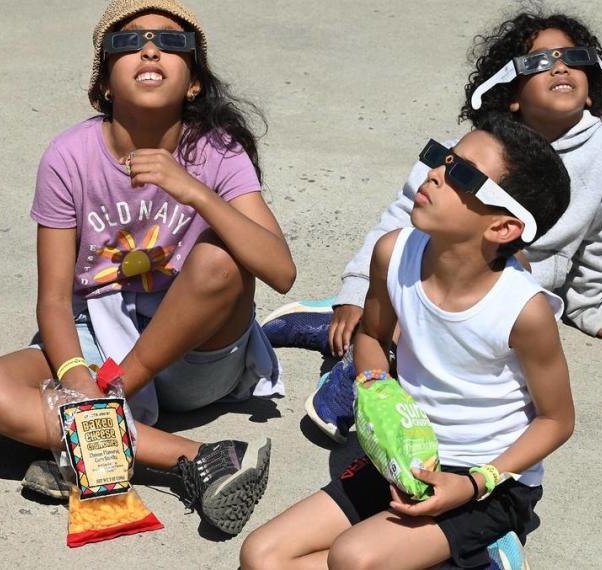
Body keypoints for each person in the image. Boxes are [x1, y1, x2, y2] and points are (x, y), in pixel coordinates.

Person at [0, 0, 294, 535]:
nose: (148, 51)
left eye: (170, 42)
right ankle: (197, 456)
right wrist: (74, 374)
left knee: (221, 260)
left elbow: (280, 270)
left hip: (193, 353)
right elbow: (51, 298)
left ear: (193, 83)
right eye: (128, 42)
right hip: (98, 333)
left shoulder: (216, 149)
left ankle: (90, 442)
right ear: (101, 83)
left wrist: (196, 192)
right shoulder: (69, 156)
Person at [267, 9, 602, 442]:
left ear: (592, 88)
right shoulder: (467, 152)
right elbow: (398, 218)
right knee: (415, 303)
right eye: (537, 62)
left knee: (452, 342)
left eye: (572, 57)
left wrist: (589, 307)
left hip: (518, 284)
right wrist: (356, 290)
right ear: (512, 95)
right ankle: (353, 358)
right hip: (437, 265)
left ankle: (350, 330)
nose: (559, 67)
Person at [241, 114, 575, 570]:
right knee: (261, 556)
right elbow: (374, 337)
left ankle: (487, 549)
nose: (434, 174)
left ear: (502, 227)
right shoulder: (394, 252)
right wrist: (377, 388)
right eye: (442, 157)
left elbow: (556, 421)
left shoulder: (524, 311)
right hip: (404, 455)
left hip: (490, 483)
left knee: (354, 557)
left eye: (462, 174)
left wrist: (476, 482)